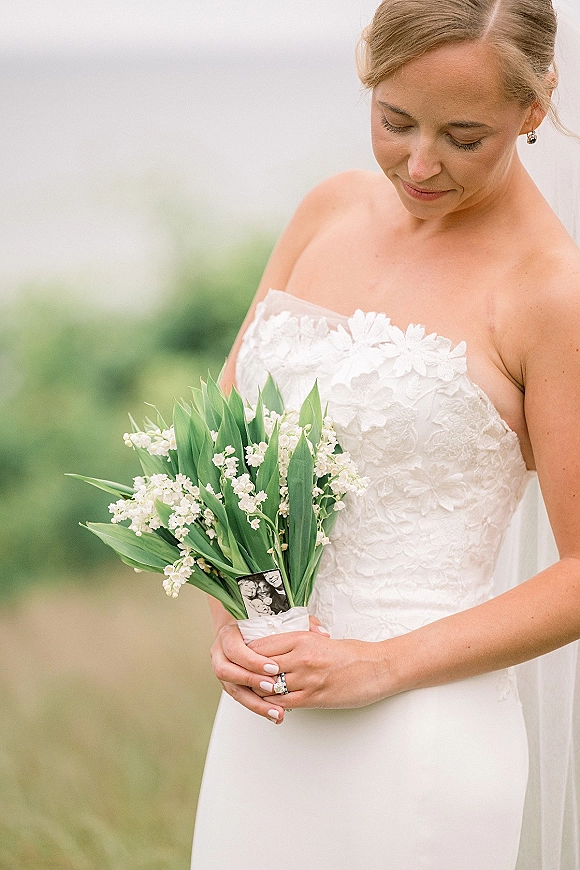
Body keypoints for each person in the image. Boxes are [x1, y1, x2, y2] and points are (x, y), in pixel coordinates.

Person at [190, 2, 580, 868]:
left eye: (464, 135)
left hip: (424, 730)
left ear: (535, 105)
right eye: (394, 120)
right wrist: (233, 616)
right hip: (267, 711)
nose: (420, 161)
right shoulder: (327, 210)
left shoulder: (553, 293)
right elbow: (223, 450)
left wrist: (381, 667)